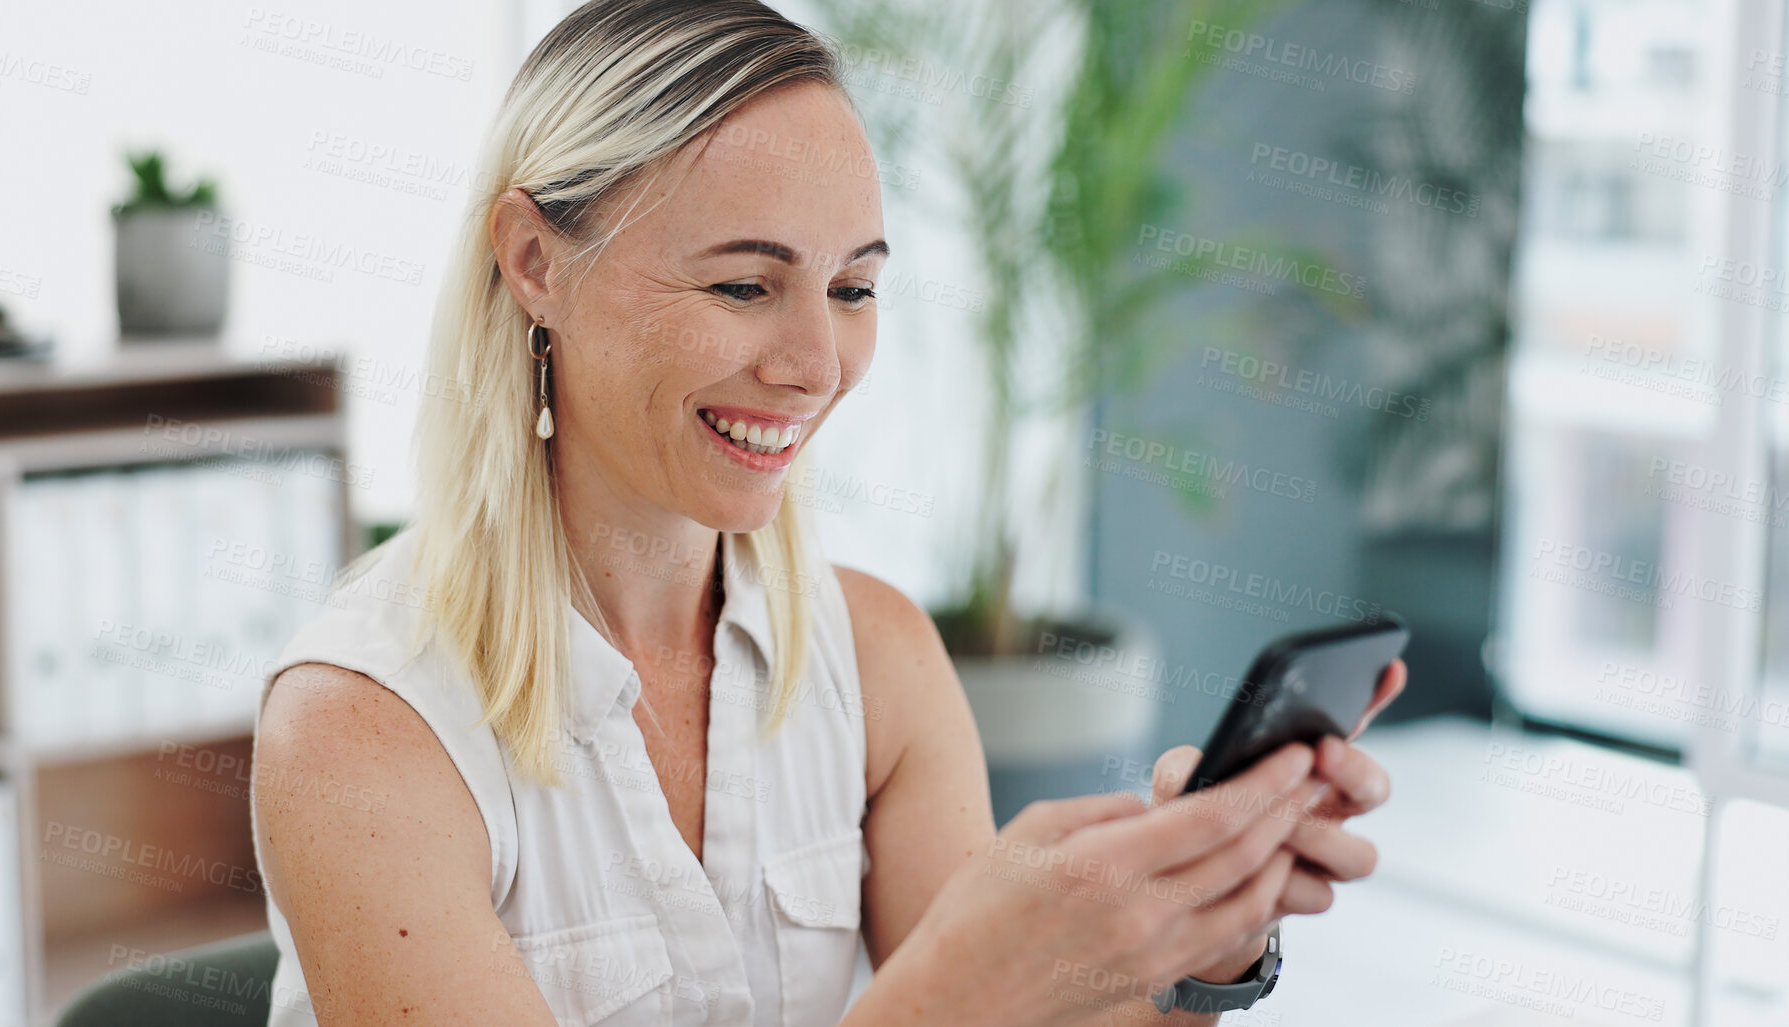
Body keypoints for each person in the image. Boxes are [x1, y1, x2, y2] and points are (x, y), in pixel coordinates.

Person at [249, 1, 1410, 1023]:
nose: (817, 363)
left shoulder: (878, 661)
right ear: (535, 263)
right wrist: (958, 990)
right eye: (744, 286)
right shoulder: (361, 730)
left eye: (854, 289)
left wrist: (1197, 942)